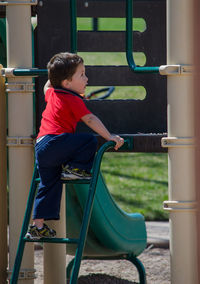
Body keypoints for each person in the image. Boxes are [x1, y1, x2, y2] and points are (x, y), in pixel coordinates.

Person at [26, 52, 124, 239]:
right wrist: (109, 136)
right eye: (82, 75)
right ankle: (77, 169)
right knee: (89, 140)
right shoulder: (72, 99)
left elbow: (48, 84)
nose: (87, 78)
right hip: (55, 142)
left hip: (41, 146)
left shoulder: (53, 93)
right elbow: (89, 119)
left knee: (49, 185)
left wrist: (53, 73)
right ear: (67, 83)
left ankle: (37, 226)